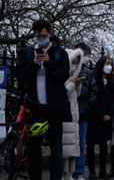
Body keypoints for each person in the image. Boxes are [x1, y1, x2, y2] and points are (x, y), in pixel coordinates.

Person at [16, 19, 72, 180]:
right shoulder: (27, 52)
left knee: (56, 147)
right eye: (38, 36)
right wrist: (33, 64)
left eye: (44, 36)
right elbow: (19, 74)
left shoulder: (60, 53)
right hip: (34, 108)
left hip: (54, 107)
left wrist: (49, 63)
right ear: (34, 35)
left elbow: (64, 74)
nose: (41, 39)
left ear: (50, 34)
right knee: (34, 149)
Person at [87, 56, 114, 179]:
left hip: (107, 117)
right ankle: (92, 171)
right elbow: (93, 98)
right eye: (106, 63)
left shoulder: (112, 81)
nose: (109, 66)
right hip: (94, 116)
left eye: (110, 63)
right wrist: (101, 113)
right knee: (90, 144)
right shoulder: (94, 78)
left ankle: (102, 170)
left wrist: (109, 114)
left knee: (104, 145)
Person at [73, 43, 98, 180]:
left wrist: (87, 105)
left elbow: (94, 91)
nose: (86, 58)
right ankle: (68, 171)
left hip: (83, 113)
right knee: (69, 142)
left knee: (81, 143)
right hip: (70, 112)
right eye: (85, 55)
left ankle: (79, 171)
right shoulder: (69, 69)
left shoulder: (87, 73)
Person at [62, 48, 83, 180]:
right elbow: (63, 92)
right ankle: (64, 173)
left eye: (77, 62)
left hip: (74, 115)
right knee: (66, 146)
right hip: (66, 114)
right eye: (73, 62)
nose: (74, 64)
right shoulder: (63, 75)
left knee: (74, 146)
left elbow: (77, 95)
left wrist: (78, 85)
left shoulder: (73, 75)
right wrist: (71, 84)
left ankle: (70, 172)